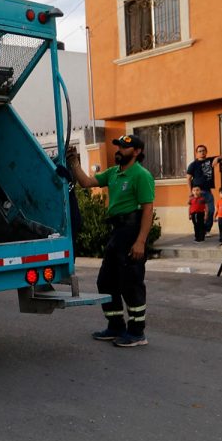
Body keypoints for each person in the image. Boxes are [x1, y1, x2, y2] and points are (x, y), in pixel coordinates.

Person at [67, 134, 155, 347]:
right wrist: (75, 163)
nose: (119, 150)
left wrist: (141, 241)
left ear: (136, 152)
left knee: (131, 282)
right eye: (118, 146)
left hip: (132, 231)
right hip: (117, 232)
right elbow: (87, 182)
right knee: (106, 281)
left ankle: (137, 333)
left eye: (124, 147)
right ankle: (116, 325)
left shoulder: (141, 175)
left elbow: (148, 210)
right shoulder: (114, 173)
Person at [186, 145, 222, 237]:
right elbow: (188, 179)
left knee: (210, 211)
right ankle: (200, 230)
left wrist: (217, 158)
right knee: (198, 213)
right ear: (196, 153)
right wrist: (190, 192)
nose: (202, 152)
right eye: (199, 151)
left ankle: (206, 230)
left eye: (203, 151)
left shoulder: (210, 160)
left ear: (206, 152)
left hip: (208, 191)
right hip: (197, 193)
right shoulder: (193, 164)